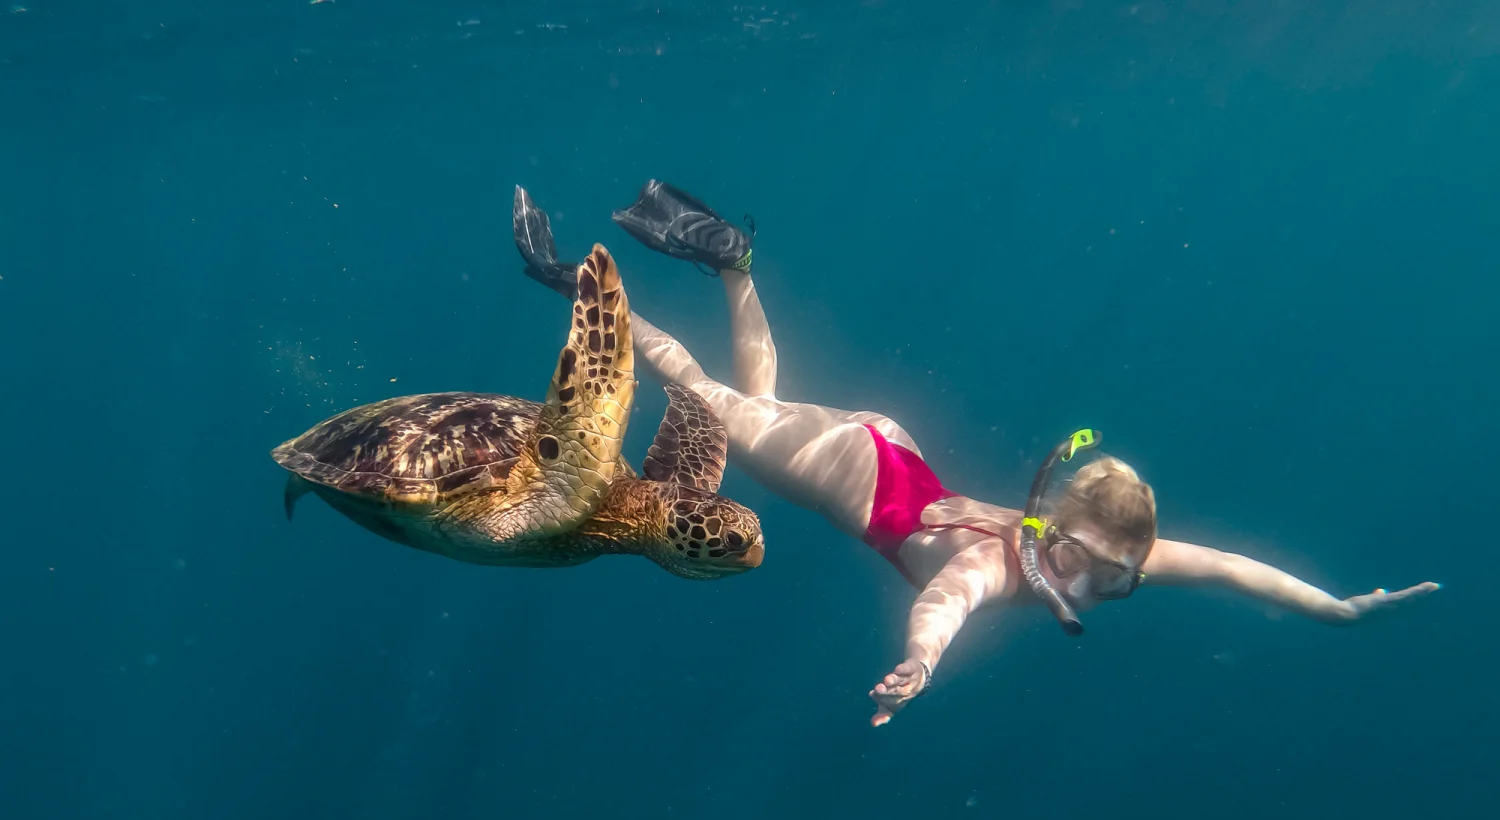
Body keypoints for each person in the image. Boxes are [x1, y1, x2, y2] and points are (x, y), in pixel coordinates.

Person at [513, 181, 1441, 728]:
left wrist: (1338, 611)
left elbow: (1240, 571)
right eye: (1085, 563)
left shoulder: (1123, 561)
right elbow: (945, 606)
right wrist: (919, 667)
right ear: (1061, 530)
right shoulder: (996, 565)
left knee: (754, 401)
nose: (1092, 584)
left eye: (1116, 576)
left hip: (884, 449)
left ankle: (731, 263)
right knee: (704, 399)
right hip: (851, 471)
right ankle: (576, 282)